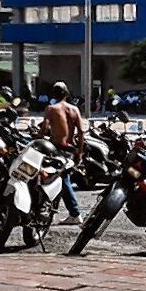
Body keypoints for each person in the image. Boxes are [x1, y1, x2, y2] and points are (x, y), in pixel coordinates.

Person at [41, 81, 84, 226]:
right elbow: (81, 132)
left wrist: (40, 137)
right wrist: (79, 152)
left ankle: (75, 213)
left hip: (57, 149)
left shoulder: (51, 109)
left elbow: (43, 130)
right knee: (62, 178)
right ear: (66, 93)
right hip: (70, 149)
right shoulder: (74, 109)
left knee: (62, 179)